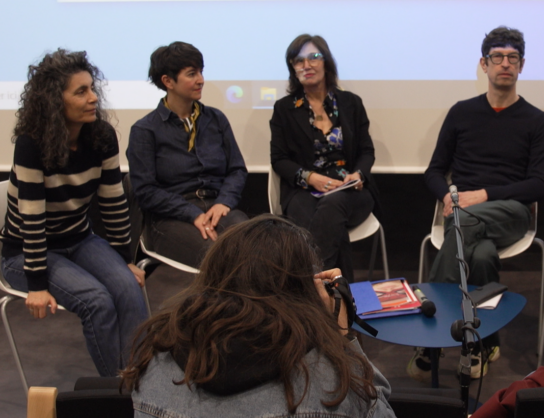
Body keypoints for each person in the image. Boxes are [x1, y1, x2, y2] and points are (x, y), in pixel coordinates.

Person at [123, 215, 396, 418]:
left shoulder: (155, 361)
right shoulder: (331, 380)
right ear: (305, 290)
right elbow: (381, 410)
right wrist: (344, 337)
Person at [415, 26, 544, 381]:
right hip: (460, 211)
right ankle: (482, 340)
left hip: (512, 212)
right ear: (483, 64)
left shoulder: (536, 121)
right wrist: (447, 195)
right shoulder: (461, 112)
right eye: (497, 57)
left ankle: (428, 331)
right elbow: (433, 171)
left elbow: (539, 184)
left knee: (464, 224)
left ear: (521, 66)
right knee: (480, 255)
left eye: (512, 58)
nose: (505, 64)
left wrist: (485, 195)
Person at [0, 49, 147, 377]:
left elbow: (112, 205)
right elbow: (32, 222)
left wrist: (124, 258)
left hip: (79, 239)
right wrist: (36, 283)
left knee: (127, 287)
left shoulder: (102, 137)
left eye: (92, 88)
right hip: (26, 252)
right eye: (81, 91)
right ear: (55, 101)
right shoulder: (31, 145)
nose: (93, 98)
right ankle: (118, 393)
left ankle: (144, 383)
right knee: (97, 301)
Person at [127, 41, 248, 269]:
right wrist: (190, 212)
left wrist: (224, 202)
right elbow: (145, 191)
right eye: (192, 74)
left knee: (254, 246)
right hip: (171, 218)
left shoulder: (216, 119)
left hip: (217, 208)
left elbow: (237, 169)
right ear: (168, 81)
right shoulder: (145, 130)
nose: (201, 79)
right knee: (221, 258)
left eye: (201, 72)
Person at [270, 34, 378, 282]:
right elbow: (279, 159)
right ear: (292, 68)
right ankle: (341, 296)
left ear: (327, 62)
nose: (306, 65)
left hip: (350, 189)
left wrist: (359, 174)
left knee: (333, 205)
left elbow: (366, 151)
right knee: (328, 225)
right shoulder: (284, 108)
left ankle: (308, 286)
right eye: (298, 60)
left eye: (314, 57)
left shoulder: (351, 103)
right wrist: (310, 177)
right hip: (304, 189)